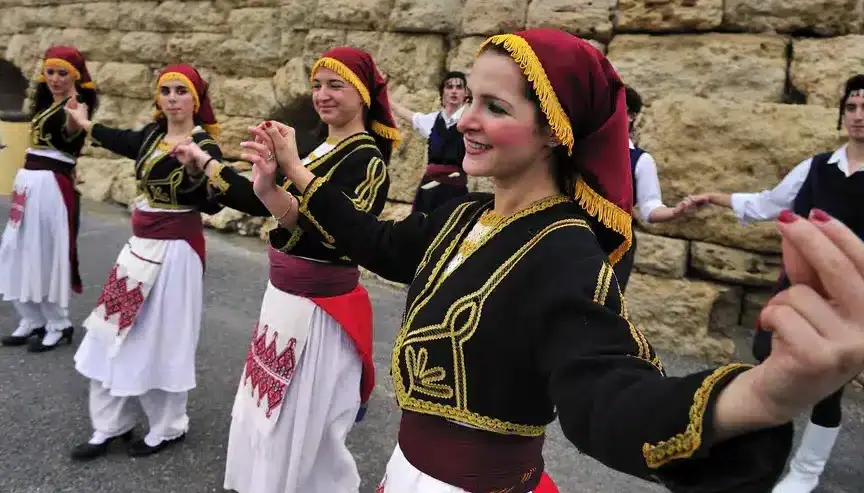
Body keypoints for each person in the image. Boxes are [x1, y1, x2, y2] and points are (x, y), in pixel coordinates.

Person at [244, 29, 864, 493]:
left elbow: (606, 390)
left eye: (495, 106)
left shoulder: (564, 248)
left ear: (554, 131)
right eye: (469, 99)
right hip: (404, 474)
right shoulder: (462, 214)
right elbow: (376, 242)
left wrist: (760, 396)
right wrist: (289, 180)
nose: (465, 118)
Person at [176, 46, 398, 493]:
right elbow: (278, 209)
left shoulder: (367, 160)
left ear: (362, 94)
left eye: (335, 85)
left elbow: (337, 236)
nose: (322, 94)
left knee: (300, 420)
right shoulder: (318, 148)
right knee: (265, 408)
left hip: (320, 307)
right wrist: (261, 183)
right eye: (316, 85)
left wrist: (289, 171)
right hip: (284, 298)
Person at [686, 73, 864, 493]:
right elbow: (769, 203)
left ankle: (806, 471)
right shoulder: (816, 168)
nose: (859, 116)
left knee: (829, 386)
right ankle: (753, 456)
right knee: (768, 361)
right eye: (852, 107)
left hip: (850, 300)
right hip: (798, 290)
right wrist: (714, 197)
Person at [63, 63, 224, 460]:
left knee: (164, 339)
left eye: (181, 91)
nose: (172, 99)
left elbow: (214, 202)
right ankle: (108, 425)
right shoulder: (152, 135)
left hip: (177, 254)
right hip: (139, 250)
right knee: (109, 331)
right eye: (165, 91)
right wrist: (85, 123)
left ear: (196, 99)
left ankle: (168, 426)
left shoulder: (206, 147)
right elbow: (121, 139)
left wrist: (194, 170)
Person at [0, 46, 98, 352]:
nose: (55, 78)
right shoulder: (46, 105)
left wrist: (73, 117)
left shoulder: (75, 107)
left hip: (50, 186)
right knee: (17, 249)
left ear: (75, 77)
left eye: (62, 73)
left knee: (44, 252)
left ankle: (58, 322)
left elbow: (70, 131)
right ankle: (32, 317)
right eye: (50, 72)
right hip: (29, 183)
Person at [614, 85, 703, 291]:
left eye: (617, 108)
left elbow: (650, 207)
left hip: (613, 246)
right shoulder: (580, 149)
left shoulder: (640, 160)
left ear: (631, 116)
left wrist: (675, 211)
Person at [391, 71, 470, 213]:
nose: (454, 91)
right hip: (428, 192)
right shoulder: (432, 120)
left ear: (465, 93)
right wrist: (380, 91)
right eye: (449, 86)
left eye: (459, 87)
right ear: (443, 92)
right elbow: (400, 111)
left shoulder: (470, 124)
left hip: (455, 191)